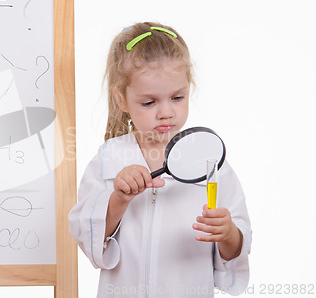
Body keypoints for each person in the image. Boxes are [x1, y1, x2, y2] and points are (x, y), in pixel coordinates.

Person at [69, 22, 251, 297]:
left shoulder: (210, 162)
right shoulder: (109, 157)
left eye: (177, 97)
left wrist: (228, 233)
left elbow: (238, 245)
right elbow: (88, 236)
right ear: (122, 99)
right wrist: (118, 198)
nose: (166, 112)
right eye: (149, 102)